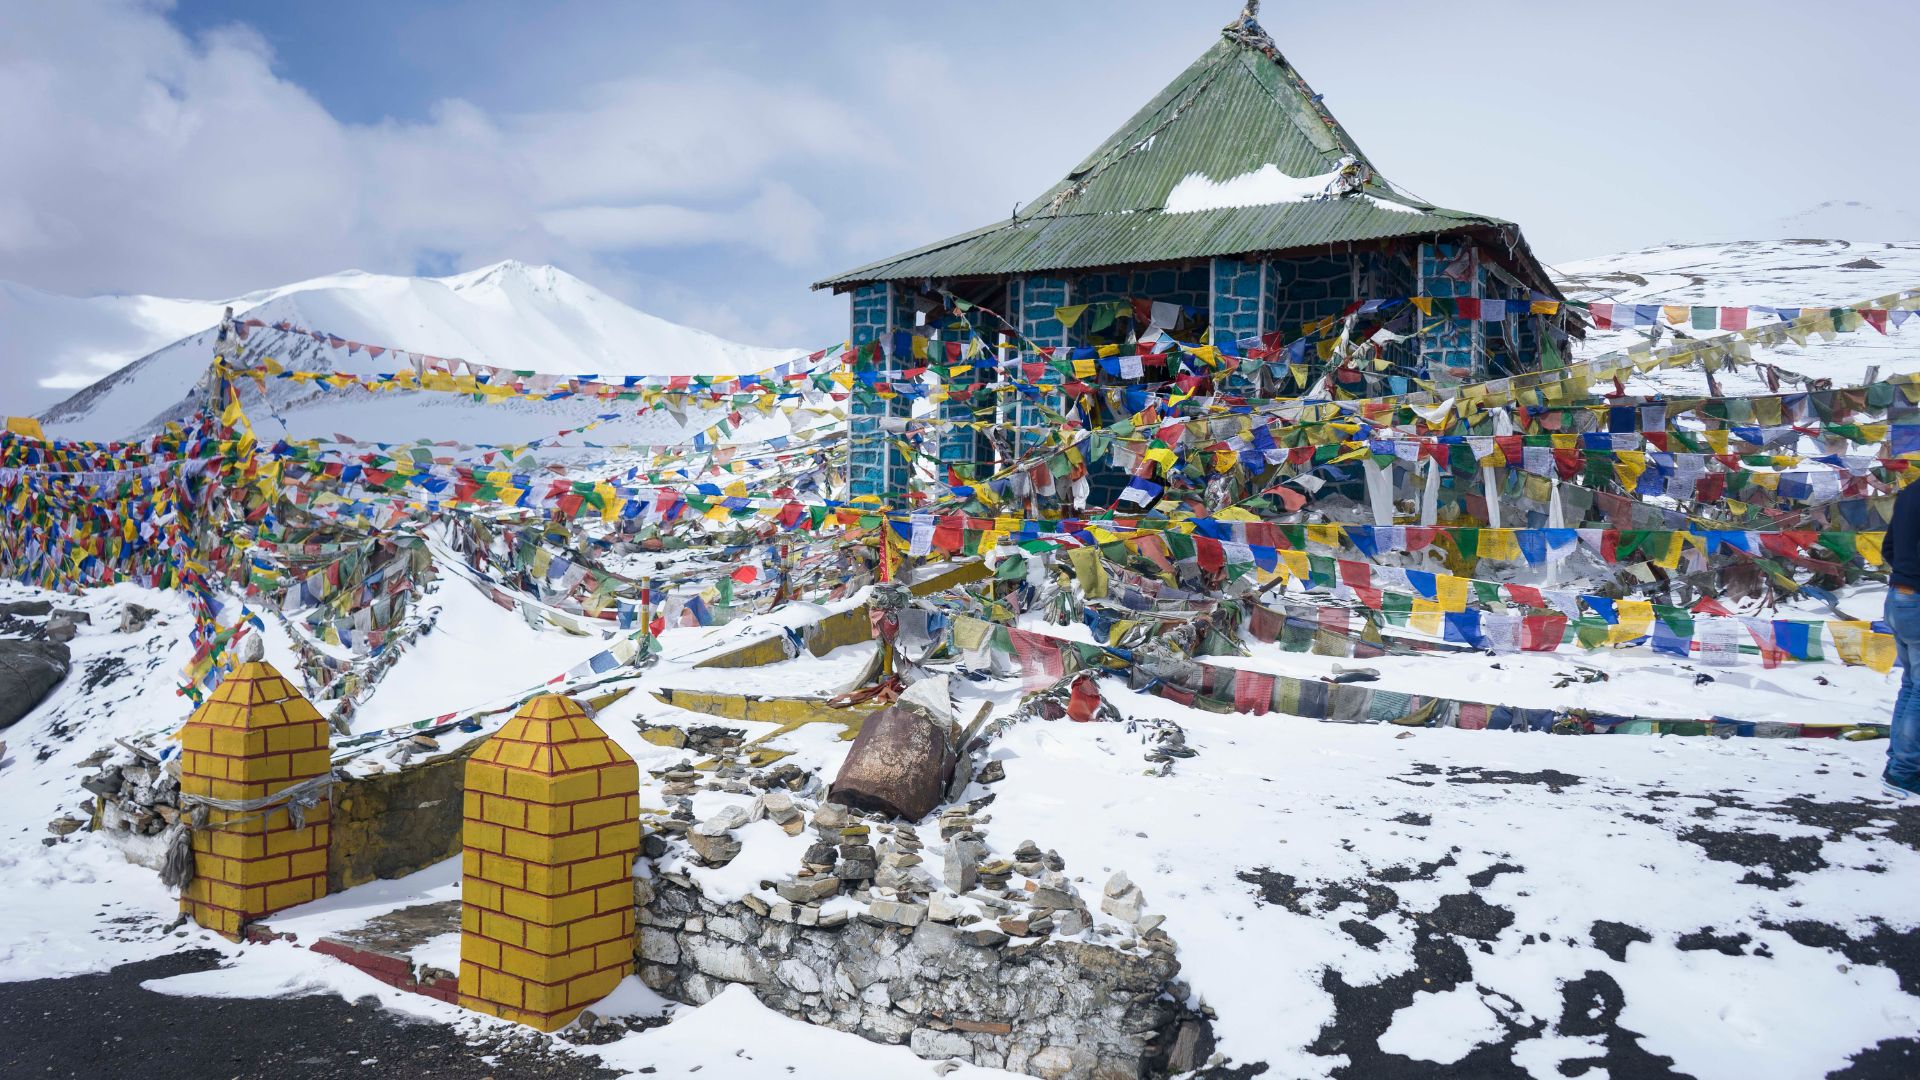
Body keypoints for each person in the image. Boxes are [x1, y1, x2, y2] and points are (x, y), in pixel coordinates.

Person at [1881, 480, 1920, 798]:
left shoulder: (1909, 493)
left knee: (1911, 685)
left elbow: (1888, 549)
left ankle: (1897, 763)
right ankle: (1904, 772)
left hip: (1898, 597)